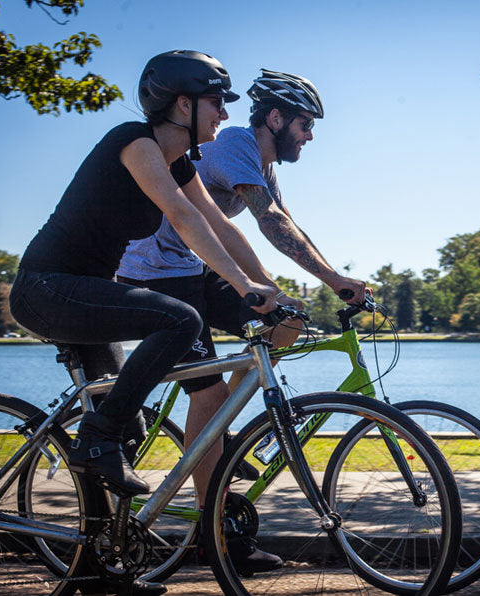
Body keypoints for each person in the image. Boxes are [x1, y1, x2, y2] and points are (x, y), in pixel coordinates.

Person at [9, 50, 279, 595]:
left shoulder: (180, 162)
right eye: (216, 103)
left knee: (124, 431)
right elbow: (182, 219)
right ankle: (96, 435)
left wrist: (266, 288)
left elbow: (216, 225)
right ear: (183, 104)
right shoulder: (135, 142)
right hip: (47, 288)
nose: (224, 114)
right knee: (180, 321)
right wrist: (241, 287)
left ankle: (94, 566)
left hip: (87, 296)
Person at [115, 69, 367, 572]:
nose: (310, 136)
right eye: (305, 125)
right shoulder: (232, 144)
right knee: (206, 396)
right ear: (275, 118)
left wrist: (312, 284)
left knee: (287, 322)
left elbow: (285, 221)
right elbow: (269, 222)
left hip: (198, 269)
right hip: (157, 276)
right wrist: (332, 278)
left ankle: (220, 433)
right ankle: (216, 533)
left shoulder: (261, 162)